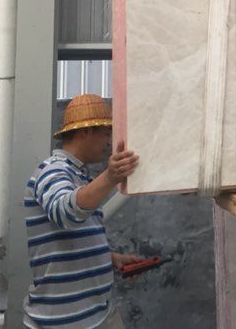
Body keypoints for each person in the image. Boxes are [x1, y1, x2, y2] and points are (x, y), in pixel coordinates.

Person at [23, 93, 141, 328]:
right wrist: (110, 177)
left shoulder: (80, 177)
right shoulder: (52, 170)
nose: (108, 142)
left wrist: (109, 259)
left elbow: (72, 237)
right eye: (105, 133)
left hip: (94, 316)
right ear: (86, 132)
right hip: (63, 322)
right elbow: (66, 213)